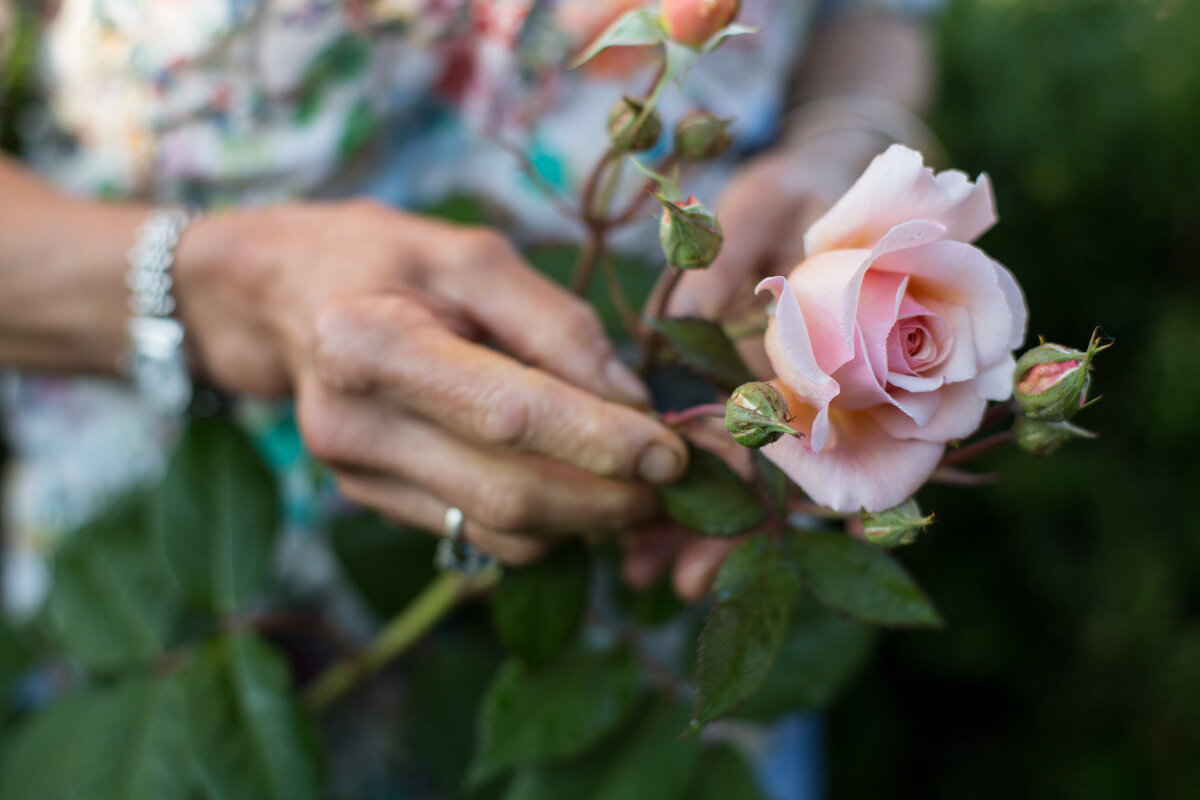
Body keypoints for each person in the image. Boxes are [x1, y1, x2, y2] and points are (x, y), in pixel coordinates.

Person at [0, 0, 936, 615]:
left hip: (668, 627)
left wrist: (843, 158)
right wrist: (228, 291)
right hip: (175, 577)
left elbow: (878, 16)